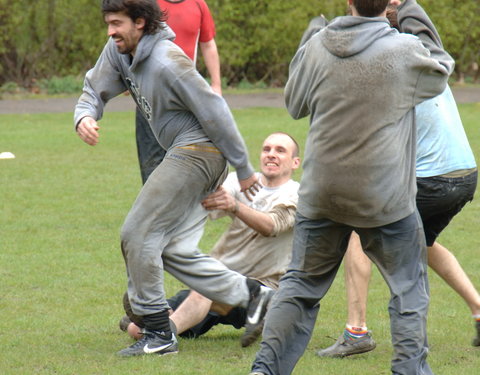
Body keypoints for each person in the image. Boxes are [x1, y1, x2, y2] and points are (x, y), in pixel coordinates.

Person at [249, 0, 454, 374]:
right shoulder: (403, 49)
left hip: (321, 192)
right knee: (408, 289)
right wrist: (412, 11)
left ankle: (265, 370)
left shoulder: (318, 45)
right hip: (384, 197)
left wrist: (309, 39)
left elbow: (294, 104)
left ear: (348, 2)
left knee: (298, 287)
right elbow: (441, 70)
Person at [74, 0, 272, 357]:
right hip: (186, 151)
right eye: (108, 23)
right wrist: (85, 116)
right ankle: (254, 294)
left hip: (201, 150)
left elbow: (216, 110)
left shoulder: (169, 60)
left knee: (137, 232)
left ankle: (158, 332)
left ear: (140, 22)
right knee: (172, 249)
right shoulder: (119, 49)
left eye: (117, 23)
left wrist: (244, 169)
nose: (110, 31)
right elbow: (94, 87)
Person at [316, 3, 479, 358]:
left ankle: (356, 331)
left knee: (360, 234)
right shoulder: (424, 55)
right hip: (465, 174)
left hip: (429, 177)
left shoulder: (388, 64)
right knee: (422, 244)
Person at [121, 132, 301, 348]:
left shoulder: (296, 194)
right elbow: (206, 197)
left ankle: (163, 335)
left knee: (203, 292)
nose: (271, 155)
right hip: (222, 279)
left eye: (280, 151)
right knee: (134, 329)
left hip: (264, 287)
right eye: (267, 149)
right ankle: (151, 323)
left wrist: (234, 206)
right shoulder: (241, 182)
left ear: (295, 162)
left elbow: (271, 226)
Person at [136, 0, 222, 183]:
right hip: (150, 94)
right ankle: (155, 209)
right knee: (152, 162)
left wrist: (216, 84)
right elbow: (133, 40)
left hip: (187, 97)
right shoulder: (148, 4)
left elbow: (208, 44)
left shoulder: (199, 4)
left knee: (190, 157)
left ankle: (187, 207)